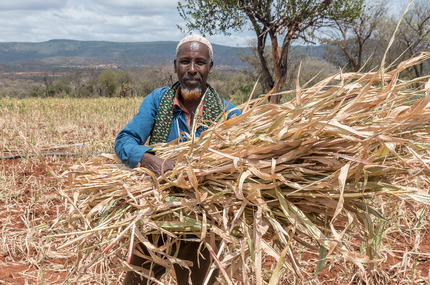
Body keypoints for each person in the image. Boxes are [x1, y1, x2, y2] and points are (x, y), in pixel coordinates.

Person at [115, 34, 241, 284]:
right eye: (185, 62)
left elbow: (241, 162)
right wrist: (150, 160)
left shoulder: (229, 114)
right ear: (175, 66)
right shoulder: (157, 102)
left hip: (203, 227)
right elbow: (124, 141)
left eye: (200, 63)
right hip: (157, 218)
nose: (192, 70)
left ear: (211, 68)